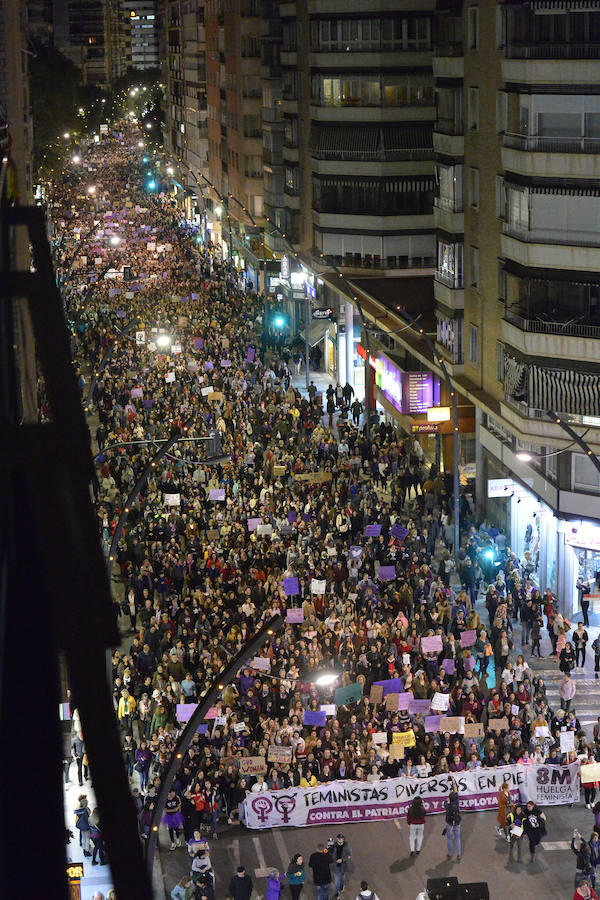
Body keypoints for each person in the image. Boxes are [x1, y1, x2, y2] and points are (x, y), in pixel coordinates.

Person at [329, 834, 351, 898]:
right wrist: (327, 848)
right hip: (336, 867)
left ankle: (342, 885)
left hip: (343, 866)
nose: (340, 839)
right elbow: (327, 853)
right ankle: (337, 893)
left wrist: (342, 859)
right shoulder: (333, 845)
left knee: (343, 878)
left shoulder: (346, 846)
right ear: (337, 839)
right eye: (339, 838)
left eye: (341, 838)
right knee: (336, 881)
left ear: (343, 839)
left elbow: (349, 856)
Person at [443, 790, 462, 861]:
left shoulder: (447, 806)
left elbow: (444, 804)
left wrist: (446, 801)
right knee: (457, 839)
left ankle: (450, 854)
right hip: (457, 823)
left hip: (449, 824)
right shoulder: (457, 803)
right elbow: (456, 791)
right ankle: (459, 854)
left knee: (449, 839)